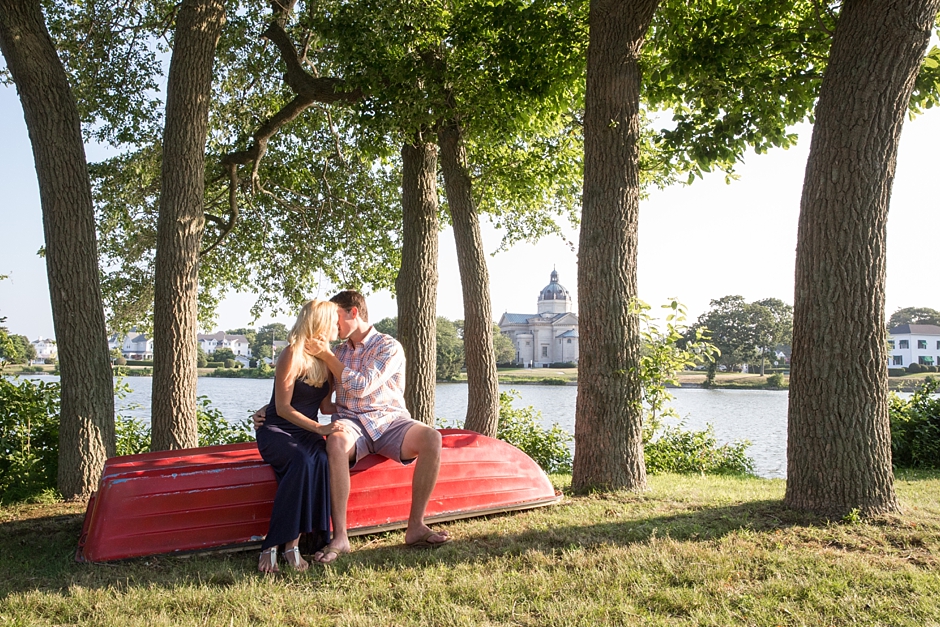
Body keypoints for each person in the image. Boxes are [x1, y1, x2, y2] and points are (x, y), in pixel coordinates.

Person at [255, 290, 450, 564]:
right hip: (351, 423)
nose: (333, 327)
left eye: (336, 319)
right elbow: (309, 394)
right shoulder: (336, 351)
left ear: (353, 313)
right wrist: (271, 408)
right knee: (334, 442)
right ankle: (341, 537)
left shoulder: (387, 346)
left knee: (432, 438)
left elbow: (361, 387)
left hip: (388, 421)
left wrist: (328, 357)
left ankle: (416, 526)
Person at [254, 299, 346, 573]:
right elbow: (282, 408)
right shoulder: (291, 354)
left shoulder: (328, 360)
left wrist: (349, 401)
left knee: (319, 459)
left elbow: (325, 406)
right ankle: (273, 545)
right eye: (333, 320)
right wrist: (320, 429)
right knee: (302, 461)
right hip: (278, 430)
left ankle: (293, 545)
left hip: (307, 430)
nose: (337, 326)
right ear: (319, 324)